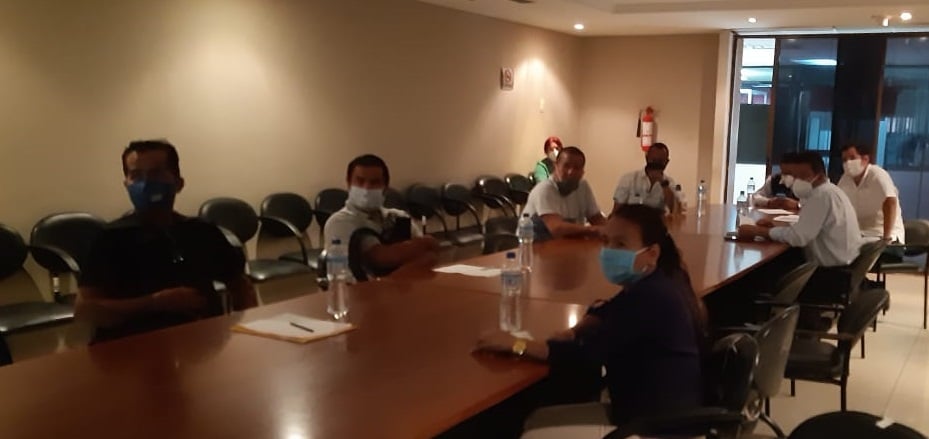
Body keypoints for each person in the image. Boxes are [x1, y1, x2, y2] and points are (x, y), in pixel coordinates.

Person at [475, 205, 705, 437]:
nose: (609, 250)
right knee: (539, 417)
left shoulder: (649, 297)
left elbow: (582, 356)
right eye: (606, 241)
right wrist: (577, 329)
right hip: (661, 414)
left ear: (652, 253)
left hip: (651, 429)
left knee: (532, 429)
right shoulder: (660, 283)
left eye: (621, 244)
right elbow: (606, 309)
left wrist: (517, 344)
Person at [76, 140, 257, 343]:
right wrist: (155, 303)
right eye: (136, 176)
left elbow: (241, 287)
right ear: (126, 184)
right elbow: (86, 311)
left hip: (200, 344)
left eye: (155, 174)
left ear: (178, 183)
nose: (145, 184)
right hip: (134, 348)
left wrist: (248, 331)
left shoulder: (202, 231)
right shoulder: (110, 238)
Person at [323, 154, 440, 277]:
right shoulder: (339, 222)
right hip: (361, 288)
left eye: (374, 182)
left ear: (385, 187)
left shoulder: (397, 217)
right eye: (360, 181)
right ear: (348, 183)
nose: (366, 188)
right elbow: (382, 257)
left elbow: (430, 252)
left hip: (404, 287)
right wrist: (422, 244)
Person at [738, 152, 861, 267]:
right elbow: (805, 229)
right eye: (795, 176)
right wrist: (773, 229)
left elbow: (798, 237)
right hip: (841, 262)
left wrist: (759, 231)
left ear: (819, 176)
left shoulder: (820, 195)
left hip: (830, 270)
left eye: (802, 176)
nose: (796, 181)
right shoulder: (830, 191)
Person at [523, 146, 606, 240]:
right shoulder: (544, 189)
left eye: (576, 168)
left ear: (582, 172)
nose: (570, 172)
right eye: (566, 166)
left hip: (566, 243)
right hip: (534, 245)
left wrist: (610, 229)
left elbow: (596, 218)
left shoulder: (583, 186)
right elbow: (557, 228)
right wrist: (593, 230)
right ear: (556, 166)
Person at [836, 144, 905, 244]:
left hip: (884, 235)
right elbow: (837, 204)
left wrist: (886, 238)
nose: (848, 163)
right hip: (862, 234)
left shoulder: (877, 174)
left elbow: (891, 202)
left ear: (865, 159)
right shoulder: (845, 179)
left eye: (852, 158)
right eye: (844, 160)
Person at [611, 142, 680, 214]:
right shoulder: (628, 179)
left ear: (666, 162)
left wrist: (663, 183)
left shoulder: (670, 183)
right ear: (647, 158)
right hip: (631, 220)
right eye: (653, 160)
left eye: (660, 161)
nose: (656, 164)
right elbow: (617, 209)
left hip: (655, 220)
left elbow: (674, 209)